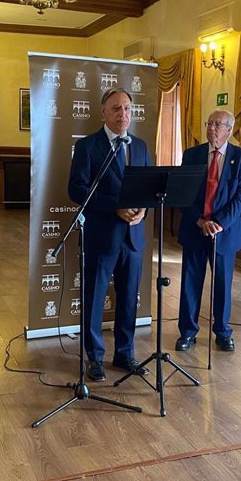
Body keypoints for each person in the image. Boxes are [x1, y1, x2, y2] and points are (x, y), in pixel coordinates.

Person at [68, 87, 152, 381]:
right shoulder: (88, 146)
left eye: (127, 108)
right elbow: (76, 189)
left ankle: (125, 353)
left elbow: (149, 188)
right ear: (103, 112)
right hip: (102, 234)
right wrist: (114, 208)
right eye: (116, 108)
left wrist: (143, 210)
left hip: (133, 237)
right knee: (93, 297)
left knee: (128, 298)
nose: (123, 114)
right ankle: (95, 357)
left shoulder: (140, 146)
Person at [175, 110, 241, 352]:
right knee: (190, 282)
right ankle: (187, 332)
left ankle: (222, 331)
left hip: (225, 233)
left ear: (229, 129)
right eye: (209, 123)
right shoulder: (192, 155)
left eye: (218, 125)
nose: (212, 129)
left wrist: (217, 223)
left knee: (222, 285)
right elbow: (181, 194)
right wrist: (199, 221)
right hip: (195, 228)